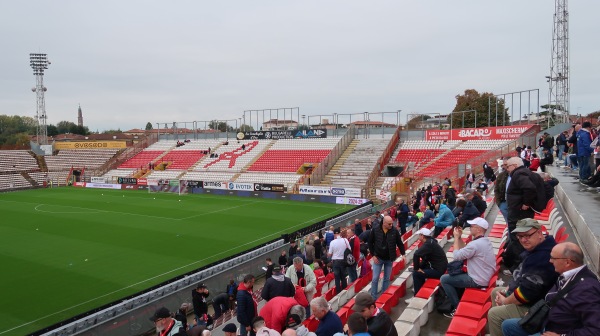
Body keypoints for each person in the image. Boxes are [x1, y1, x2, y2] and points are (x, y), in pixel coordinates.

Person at [500, 242, 600, 336]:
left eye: (553, 258)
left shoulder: (587, 289)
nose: (550, 261)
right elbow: (553, 298)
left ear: (567, 262)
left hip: (557, 331)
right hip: (546, 322)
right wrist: (535, 312)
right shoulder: (568, 274)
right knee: (507, 326)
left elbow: (596, 329)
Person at [487, 219, 558, 336]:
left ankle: (500, 324)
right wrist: (507, 291)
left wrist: (505, 301)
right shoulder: (538, 248)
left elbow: (526, 293)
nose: (523, 240)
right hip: (533, 298)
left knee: (494, 314)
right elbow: (520, 278)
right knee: (496, 291)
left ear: (539, 233)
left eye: (527, 235)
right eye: (520, 236)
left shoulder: (542, 257)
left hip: (537, 306)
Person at [440, 217, 496, 317]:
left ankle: (457, 307)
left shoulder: (476, 244)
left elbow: (457, 256)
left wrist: (456, 238)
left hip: (478, 279)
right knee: (454, 275)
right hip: (483, 276)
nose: (470, 228)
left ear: (479, 229)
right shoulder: (484, 241)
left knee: (444, 279)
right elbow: (464, 250)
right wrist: (460, 237)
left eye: (472, 226)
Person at [504, 156, 546, 270]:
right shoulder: (526, 172)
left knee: (518, 239)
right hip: (521, 212)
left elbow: (529, 188)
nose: (507, 169)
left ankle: (519, 266)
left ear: (515, 166)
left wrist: (526, 203)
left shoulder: (519, 174)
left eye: (508, 166)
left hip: (519, 213)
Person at [368, 215, 406, 299]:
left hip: (389, 258)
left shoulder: (394, 231)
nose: (391, 225)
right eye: (389, 224)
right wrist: (373, 255)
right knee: (375, 279)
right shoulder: (375, 230)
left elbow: (399, 243)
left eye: (392, 224)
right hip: (378, 258)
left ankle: (383, 297)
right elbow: (370, 243)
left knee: (387, 278)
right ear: (384, 223)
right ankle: (373, 297)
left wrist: (403, 254)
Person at [409, 228, 448, 296]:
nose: (418, 236)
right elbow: (426, 259)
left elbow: (416, 254)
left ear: (422, 236)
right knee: (421, 269)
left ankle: (417, 295)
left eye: (419, 235)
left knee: (416, 273)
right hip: (440, 267)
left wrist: (416, 268)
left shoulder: (428, 244)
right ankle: (419, 287)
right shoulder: (432, 241)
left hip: (438, 270)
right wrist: (419, 266)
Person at [327, 228, 349, 293]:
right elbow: (349, 249)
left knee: (337, 278)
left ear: (334, 234)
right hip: (343, 261)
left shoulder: (332, 242)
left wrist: (329, 254)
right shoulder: (345, 240)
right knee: (343, 277)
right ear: (339, 233)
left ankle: (339, 293)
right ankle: (345, 291)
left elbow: (330, 254)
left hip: (336, 261)